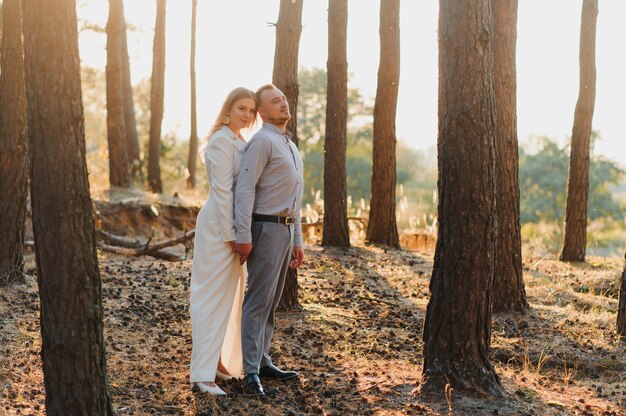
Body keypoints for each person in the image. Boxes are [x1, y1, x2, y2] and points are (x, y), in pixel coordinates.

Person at [234, 84, 305, 398]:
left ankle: (262, 361)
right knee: (258, 301)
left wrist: (298, 239)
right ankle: (249, 373)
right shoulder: (262, 141)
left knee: (272, 303)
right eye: (275, 101)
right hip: (264, 229)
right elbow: (245, 189)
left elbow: (296, 198)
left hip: (285, 230)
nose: (283, 104)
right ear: (262, 112)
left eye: (284, 99)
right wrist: (243, 235)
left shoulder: (289, 144)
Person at [189, 87, 257, 395]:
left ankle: (216, 362)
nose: (247, 114)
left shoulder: (241, 141)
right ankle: (201, 375)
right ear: (228, 109)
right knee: (210, 297)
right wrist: (233, 236)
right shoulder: (220, 141)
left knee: (228, 297)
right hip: (218, 228)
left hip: (233, 227)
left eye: (251, 110)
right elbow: (223, 191)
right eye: (241, 108)